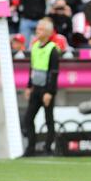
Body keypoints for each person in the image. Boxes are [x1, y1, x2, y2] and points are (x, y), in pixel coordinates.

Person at [23, 18, 60, 157]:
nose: (37, 31)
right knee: (28, 119)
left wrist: (50, 92)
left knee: (48, 119)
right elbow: (32, 68)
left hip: (46, 90)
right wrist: (29, 86)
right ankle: (30, 149)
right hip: (36, 89)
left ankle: (48, 148)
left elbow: (54, 73)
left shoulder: (53, 50)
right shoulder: (34, 46)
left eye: (40, 29)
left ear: (48, 32)